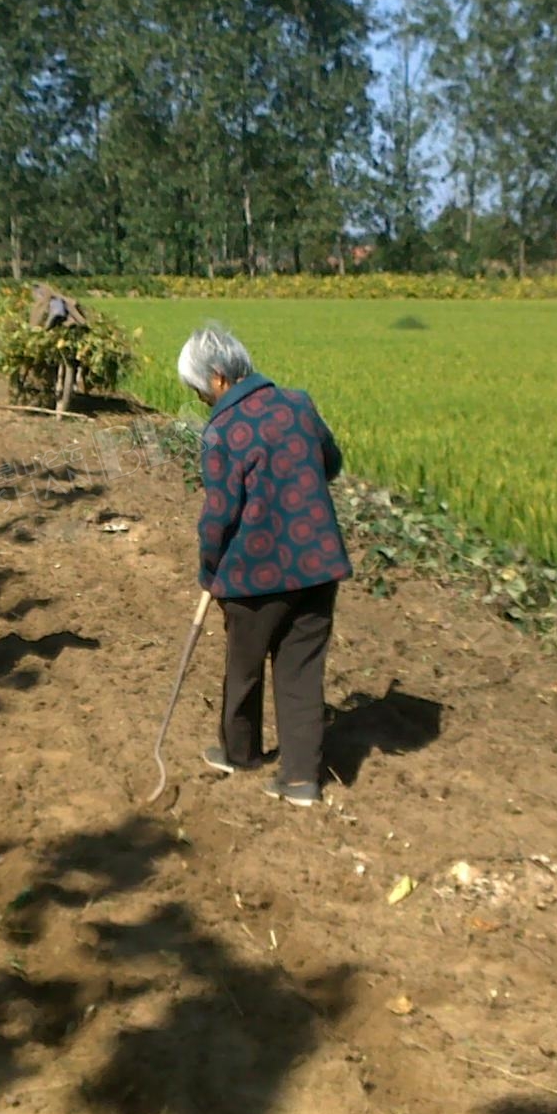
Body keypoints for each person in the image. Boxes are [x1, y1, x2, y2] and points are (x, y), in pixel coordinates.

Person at [178, 323, 352, 807]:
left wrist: (209, 570)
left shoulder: (221, 432)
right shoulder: (298, 404)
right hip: (317, 565)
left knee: (244, 667)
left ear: (218, 378)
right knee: (302, 672)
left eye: (199, 390)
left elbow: (219, 515)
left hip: (253, 576)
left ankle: (241, 754)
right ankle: (300, 780)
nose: (201, 400)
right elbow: (331, 463)